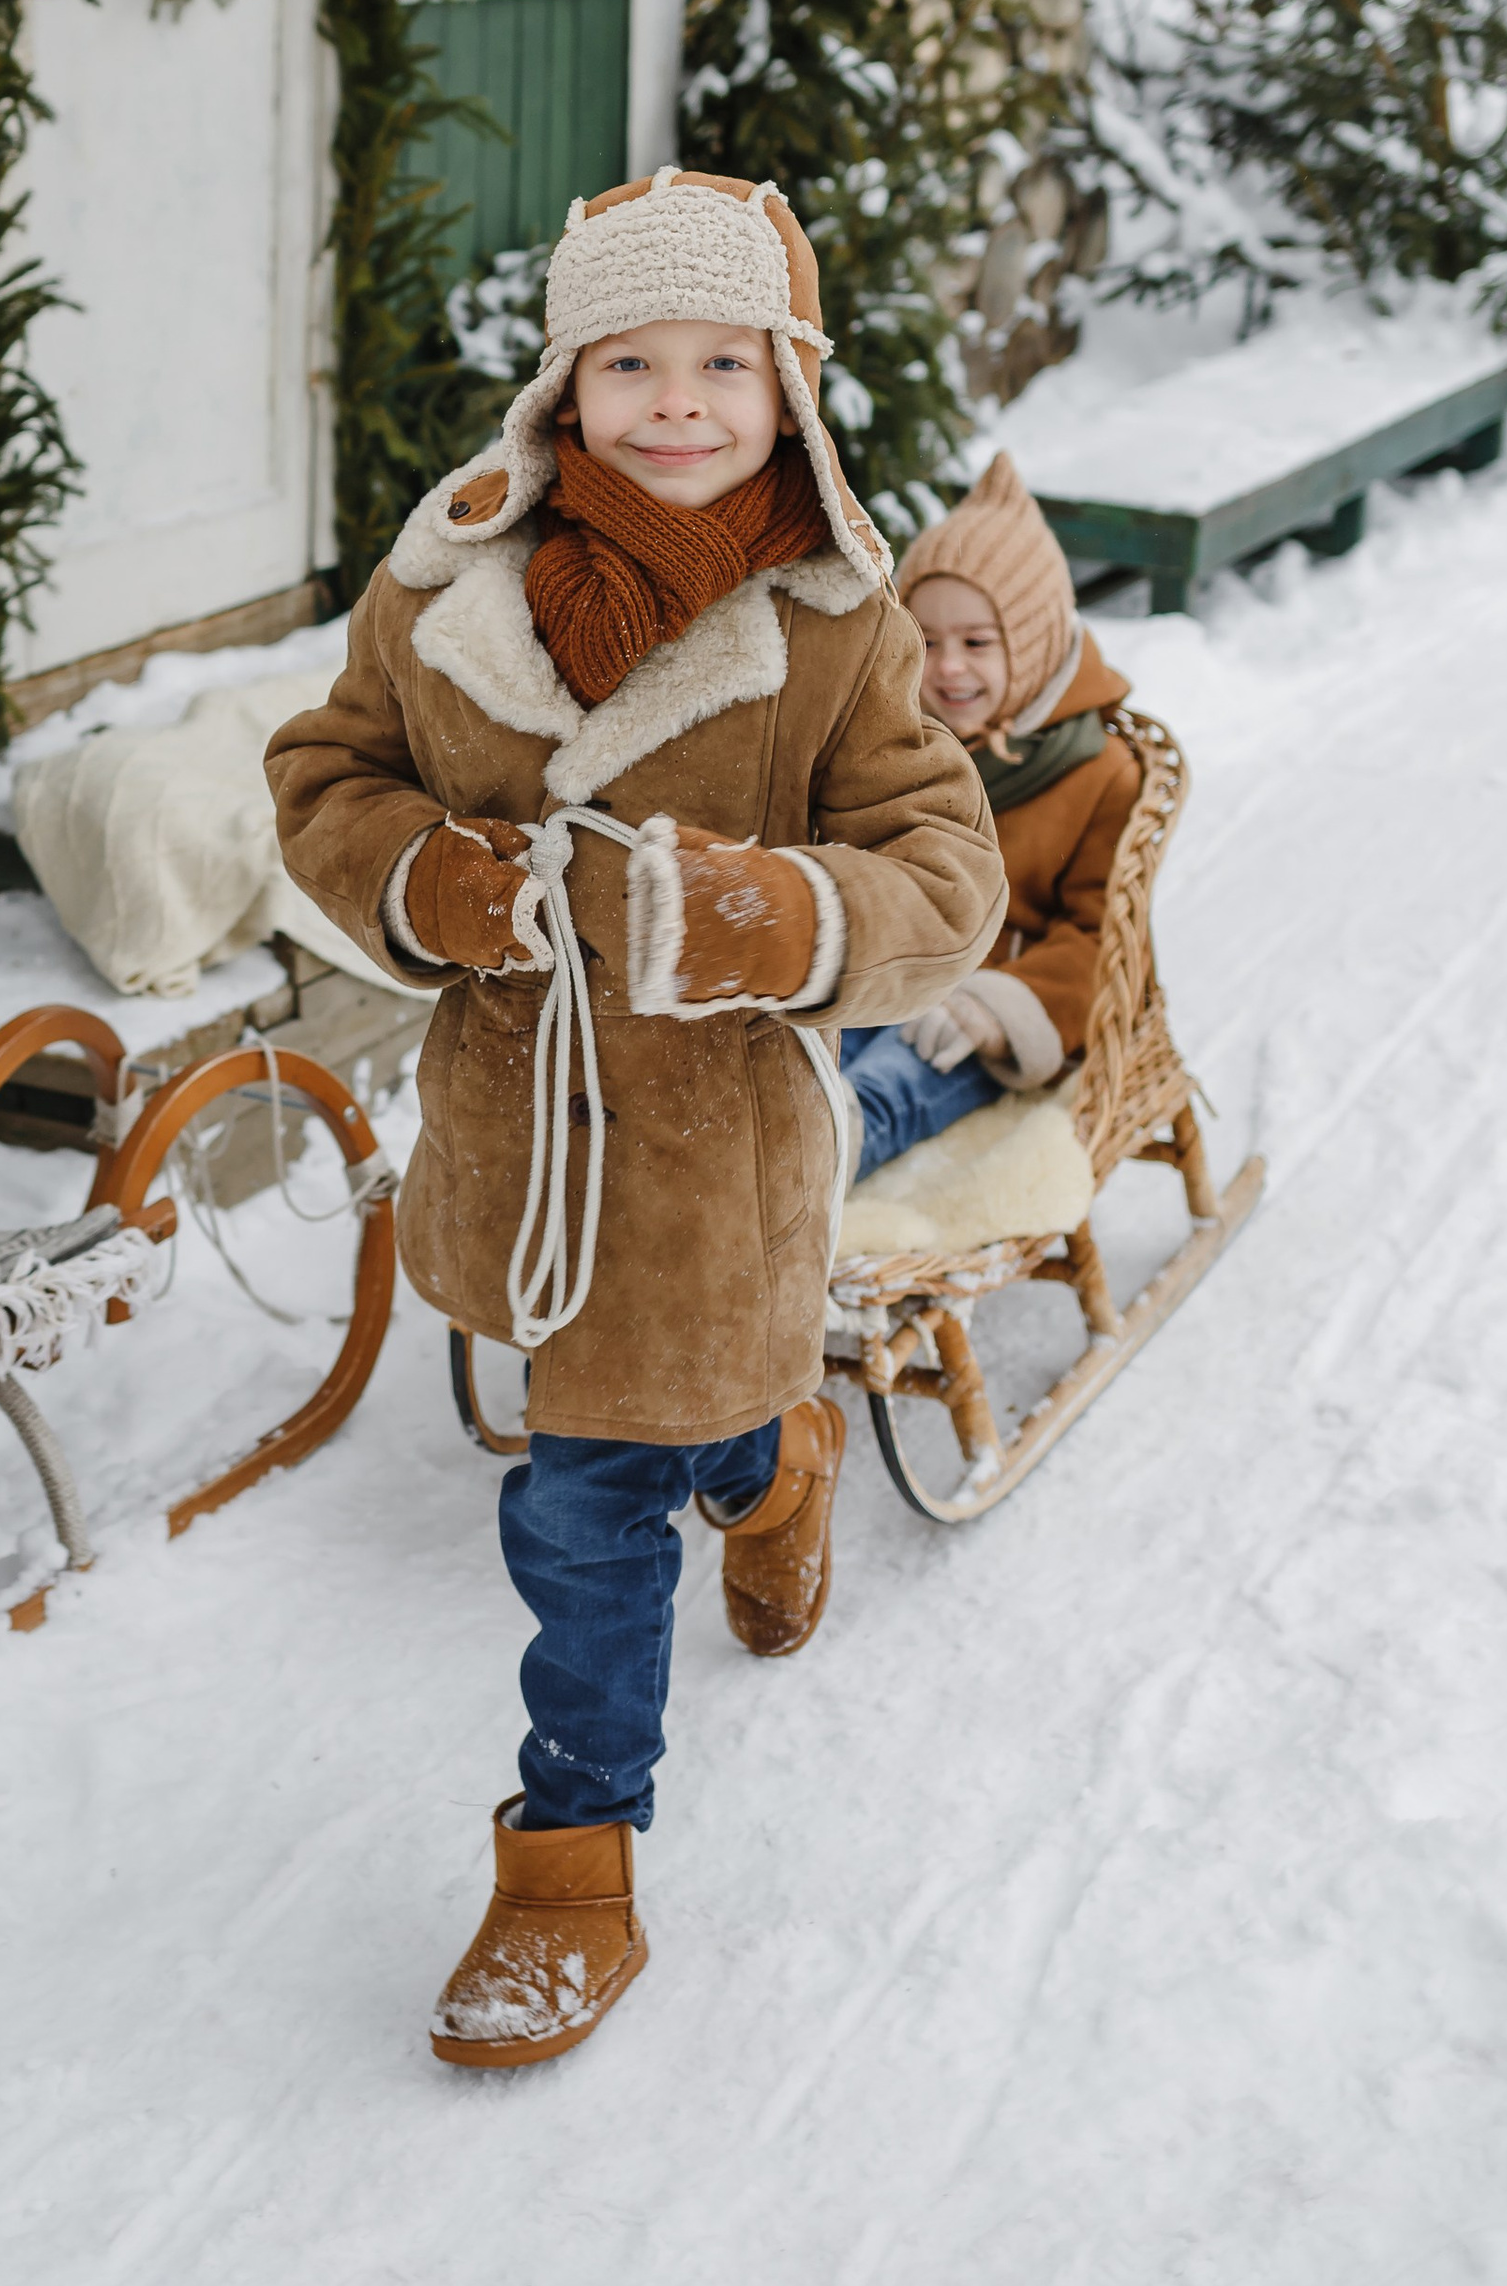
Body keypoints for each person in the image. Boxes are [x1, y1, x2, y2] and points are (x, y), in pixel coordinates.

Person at [266, 169, 1002, 2072]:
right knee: (620, 1465)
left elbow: (945, 861)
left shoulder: (836, 623)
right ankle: (763, 1493)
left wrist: (797, 918)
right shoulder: (443, 585)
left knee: (607, 1487)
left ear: (788, 386)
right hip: (524, 1130)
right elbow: (325, 774)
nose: (678, 404)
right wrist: (424, 885)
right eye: (632, 362)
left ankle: (574, 1860)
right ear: (568, 382)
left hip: (717, 1154)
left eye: (723, 366)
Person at [835, 452, 1144, 1182]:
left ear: (1031, 647)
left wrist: (998, 1007)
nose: (948, 669)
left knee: (913, 1067)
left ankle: (835, 1145)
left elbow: (1102, 938)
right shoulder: (899, 746)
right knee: (814, 1037)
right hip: (903, 968)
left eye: (978, 643)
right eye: (929, 641)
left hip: (991, 1007)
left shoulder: (1101, 774)